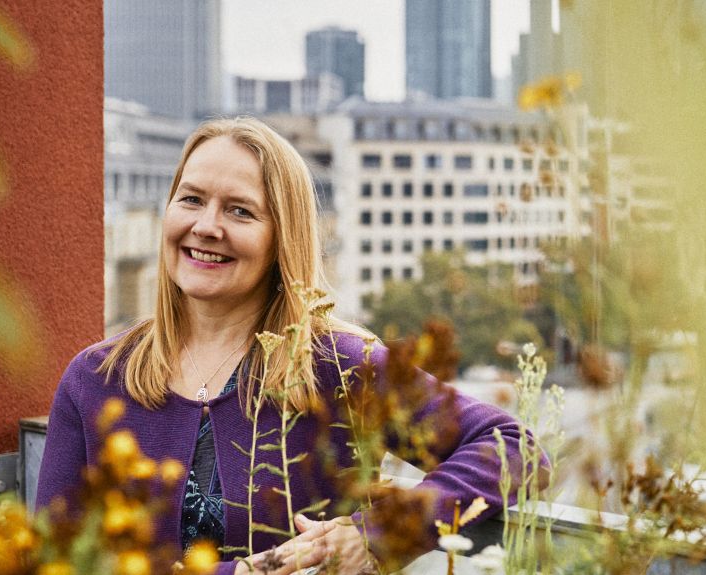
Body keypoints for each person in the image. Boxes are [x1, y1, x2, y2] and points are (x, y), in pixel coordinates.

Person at [37, 117, 546, 575]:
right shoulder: (96, 377)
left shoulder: (340, 367)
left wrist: (389, 528)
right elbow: (53, 562)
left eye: (240, 211)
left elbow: (515, 446)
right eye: (191, 199)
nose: (206, 226)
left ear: (283, 239)